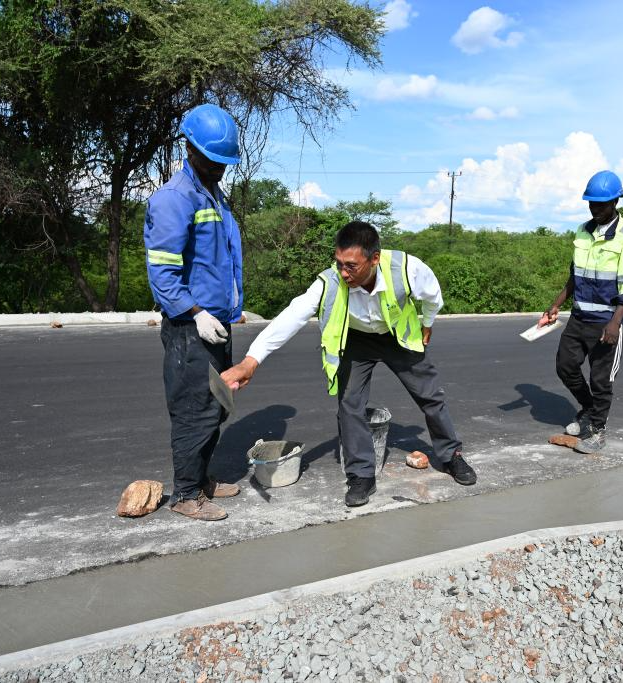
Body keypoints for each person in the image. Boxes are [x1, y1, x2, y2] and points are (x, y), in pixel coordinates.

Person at [221, 221, 477, 507]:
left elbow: (433, 296)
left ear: (374, 259)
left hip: (396, 336)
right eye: (339, 263)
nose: (343, 273)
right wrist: (251, 361)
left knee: (430, 396)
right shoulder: (330, 281)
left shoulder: (407, 268)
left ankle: (451, 456)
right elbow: (292, 316)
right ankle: (361, 475)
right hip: (356, 340)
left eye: (351, 266)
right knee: (349, 405)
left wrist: (427, 323)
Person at [143, 103, 244, 521]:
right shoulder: (174, 199)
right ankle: (186, 495)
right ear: (191, 149)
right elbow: (163, 273)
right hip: (190, 328)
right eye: (212, 159)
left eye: (224, 161)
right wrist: (197, 312)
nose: (219, 168)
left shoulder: (213, 195)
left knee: (217, 404)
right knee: (193, 408)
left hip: (216, 321)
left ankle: (201, 479)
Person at [538, 170, 623, 453]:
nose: (596, 209)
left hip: (607, 321)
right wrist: (557, 303)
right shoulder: (582, 231)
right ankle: (588, 409)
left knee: (601, 379)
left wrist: (615, 323)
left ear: (616, 202)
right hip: (579, 316)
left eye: (602, 204)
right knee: (565, 366)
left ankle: (597, 430)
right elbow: (575, 275)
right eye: (592, 204)